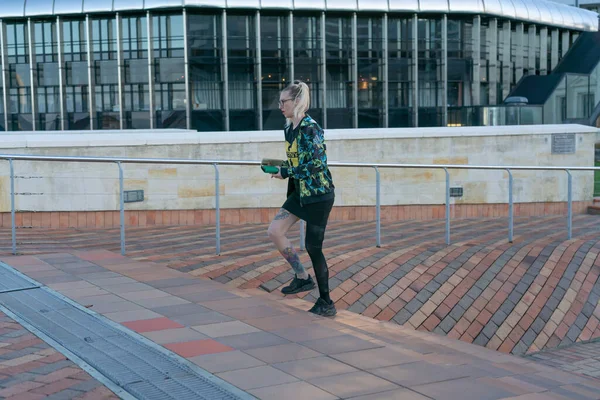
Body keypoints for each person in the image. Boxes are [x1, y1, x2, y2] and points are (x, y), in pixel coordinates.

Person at [266, 80, 336, 317]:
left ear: (296, 102)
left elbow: (316, 165)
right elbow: (298, 162)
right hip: (300, 193)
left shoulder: (310, 128)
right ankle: (302, 277)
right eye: (279, 101)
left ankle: (326, 302)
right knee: (275, 231)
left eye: (283, 101)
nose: (280, 106)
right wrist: (280, 168)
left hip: (318, 195)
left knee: (313, 248)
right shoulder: (289, 129)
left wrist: (286, 172)